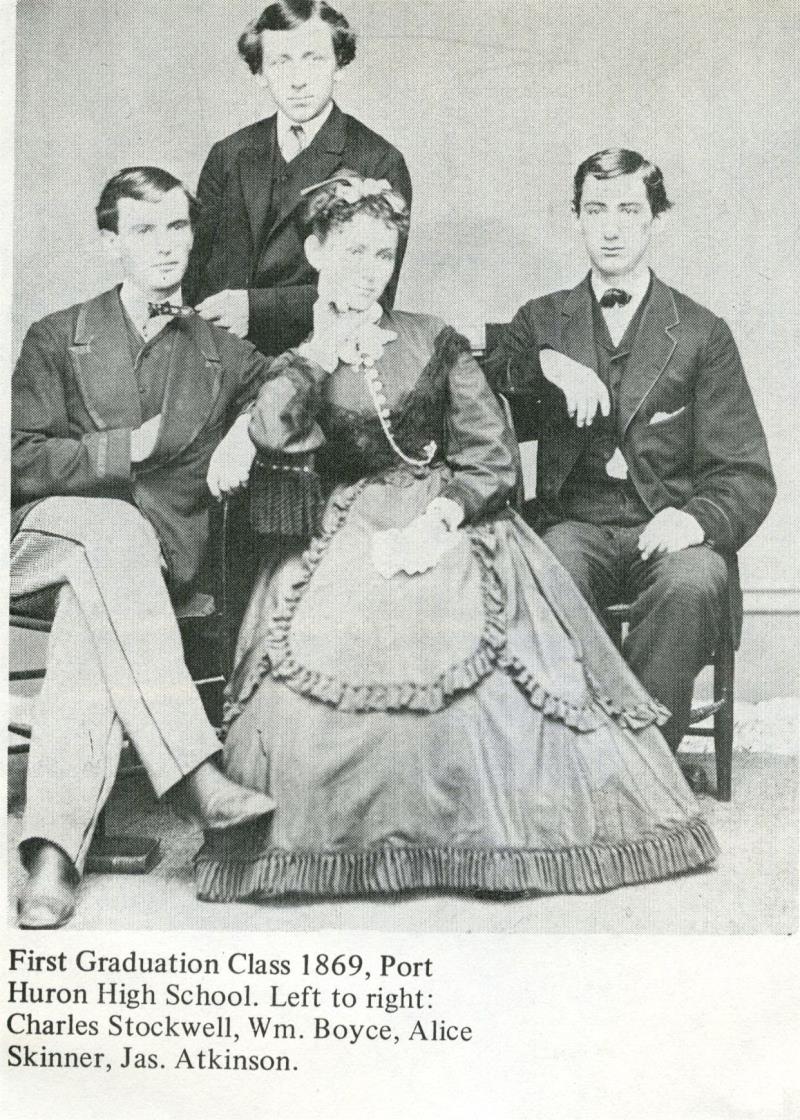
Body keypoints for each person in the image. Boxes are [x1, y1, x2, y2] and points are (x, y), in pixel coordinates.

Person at [194, 173, 718, 904]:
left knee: (473, 653)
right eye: (353, 252)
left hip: (450, 516)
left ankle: (479, 846)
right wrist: (319, 353)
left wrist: (444, 514)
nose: (369, 270)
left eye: (383, 254)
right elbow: (274, 432)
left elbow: (491, 455)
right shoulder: (296, 356)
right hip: (344, 528)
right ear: (315, 252)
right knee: (326, 647)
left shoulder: (431, 338)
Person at [10, 167, 277, 928]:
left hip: (147, 570)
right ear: (111, 244)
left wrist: (245, 430)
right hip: (44, 545)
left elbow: (289, 386)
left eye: (177, 226)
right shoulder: (58, 335)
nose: (166, 245)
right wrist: (123, 448)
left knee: (92, 616)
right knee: (112, 532)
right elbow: (17, 459)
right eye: (144, 229)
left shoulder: (220, 351)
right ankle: (194, 771)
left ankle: (52, 855)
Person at [485, 149, 775, 757]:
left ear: (655, 220)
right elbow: (478, 380)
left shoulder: (701, 331)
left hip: (665, 528)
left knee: (695, 579)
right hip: (575, 525)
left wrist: (694, 520)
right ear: (576, 218)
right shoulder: (541, 320)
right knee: (549, 566)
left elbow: (747, 473)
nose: (611, 228)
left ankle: (643, 762)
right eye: (595, 210)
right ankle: (582, 755)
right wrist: (546, 363)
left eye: (628, 210)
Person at [184, 0, 412, 358]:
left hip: (320, 360)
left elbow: (374, 293)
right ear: (259, 73)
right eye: (280, 62)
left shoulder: (378, 160)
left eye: (314, 59)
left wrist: (258, 311)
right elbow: (195, 274)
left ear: (340, 65)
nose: (298, 80)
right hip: (222, 360)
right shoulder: (228, 154)